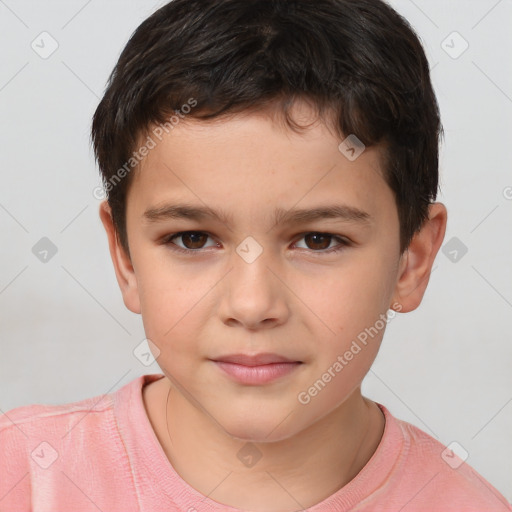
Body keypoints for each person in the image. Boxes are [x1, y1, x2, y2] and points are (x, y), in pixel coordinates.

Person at [1, 0, 510, 510]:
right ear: (126, 257)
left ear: (412, 260)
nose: (251, 304)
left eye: (318, 240)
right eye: (193, 239)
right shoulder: (23, 476)